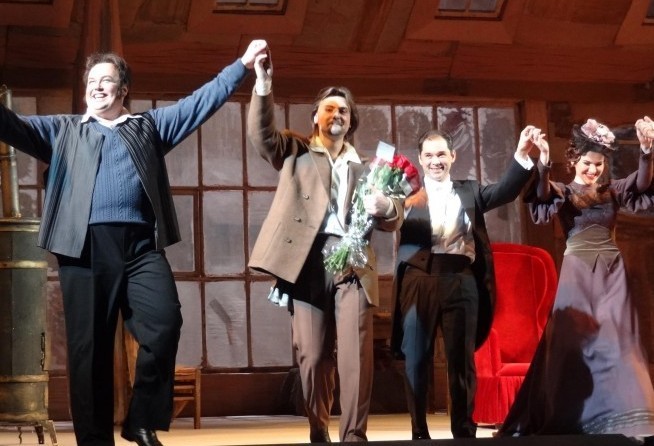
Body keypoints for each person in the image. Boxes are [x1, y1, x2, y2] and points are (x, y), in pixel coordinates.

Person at [0, 40, 269, 446]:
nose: (97, 86)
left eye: (106, 80)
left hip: (142, 247)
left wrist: (242, 65)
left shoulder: (148, 127)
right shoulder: (63, 130)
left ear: (123, 89)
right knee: (89, 352)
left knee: (164, 323)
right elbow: (9, 125)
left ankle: (141, 420)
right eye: (92, 80)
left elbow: (199, 103)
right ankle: (95, 441)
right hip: (84, 248)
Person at [246, 50, 404, 443]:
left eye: (344, 111)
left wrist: (387, 207)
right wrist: (263, 85)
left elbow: (394, 216)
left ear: (351, 122)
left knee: (355, 356)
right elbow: (262, 136)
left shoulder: (369, 168)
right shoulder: (295, 150)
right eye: (329, 109)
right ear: (315, 117)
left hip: (354, 264)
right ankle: (319, 428)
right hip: (306, 263)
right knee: (313, 356)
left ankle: (354, 436)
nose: (337, 115)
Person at [498, 117, 654, 440]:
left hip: (612, 273)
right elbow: (543, 192)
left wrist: (646, 152)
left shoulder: (613, 190)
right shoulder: (564, 191)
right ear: (573, 160)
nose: (593, 169)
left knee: (618, 341)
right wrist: (542, 162)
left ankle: (622, 416)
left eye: (599, 164)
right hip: (577, 274)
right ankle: (573, 417)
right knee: (571, 344)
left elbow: (641, 184)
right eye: (587, 163)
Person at [390, 127, 545, 439]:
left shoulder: (469, 190)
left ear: (453, 156)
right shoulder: (405, 194)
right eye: (429, 155)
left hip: (461, 279)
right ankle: (419, 431)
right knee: (416, 358)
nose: (435, 161)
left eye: (441, 154)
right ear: (420, 159)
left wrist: (521, 153)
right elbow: (384, 218)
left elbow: (504, 191)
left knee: (461, 361)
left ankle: (464, 432)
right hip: (418, 279)